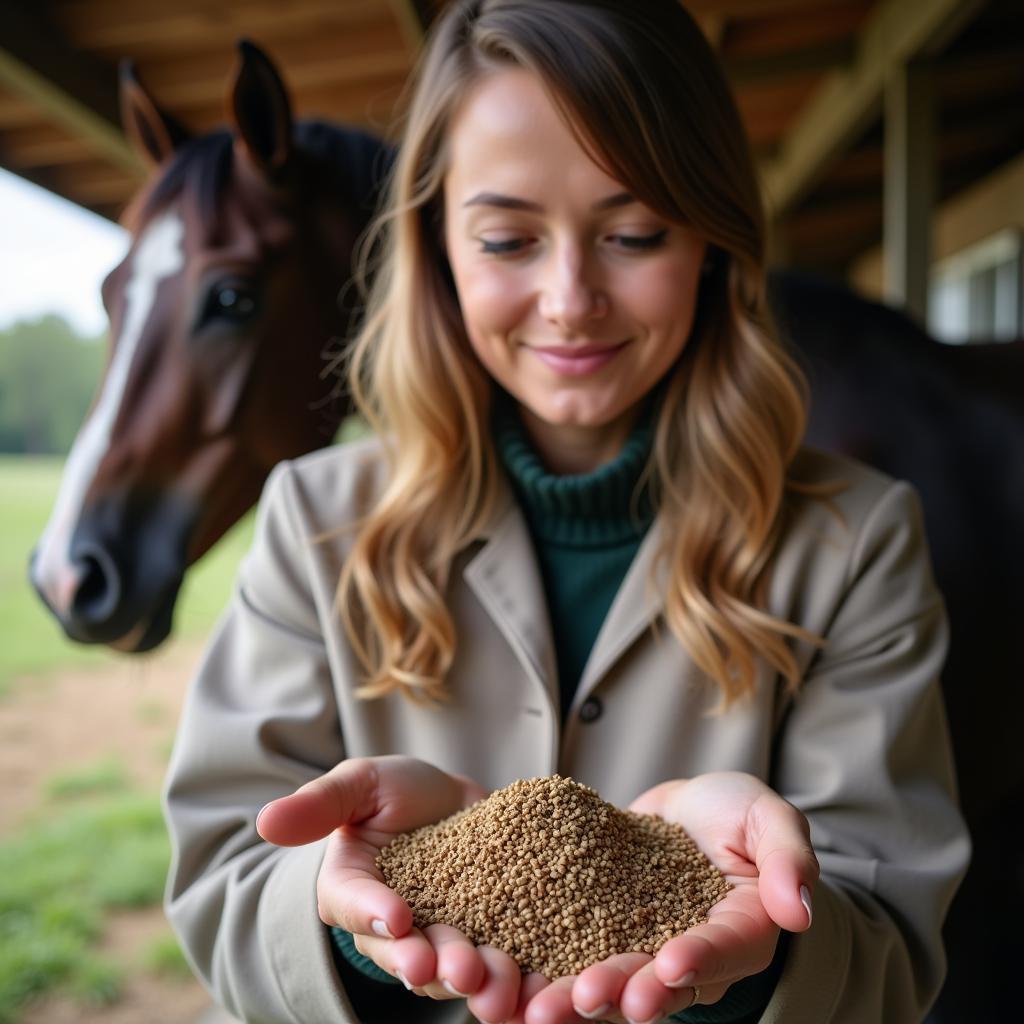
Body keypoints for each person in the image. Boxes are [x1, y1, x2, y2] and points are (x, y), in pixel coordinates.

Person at [163, 2, 970, 1022]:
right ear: (436, 245)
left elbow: (889, 943)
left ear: (714, 243)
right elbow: (223, 880)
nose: (569, 297)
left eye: (634, 232)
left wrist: (760, 948)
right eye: (506, 238)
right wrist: (352, 926)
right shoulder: (313, 518)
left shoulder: (856, 538)